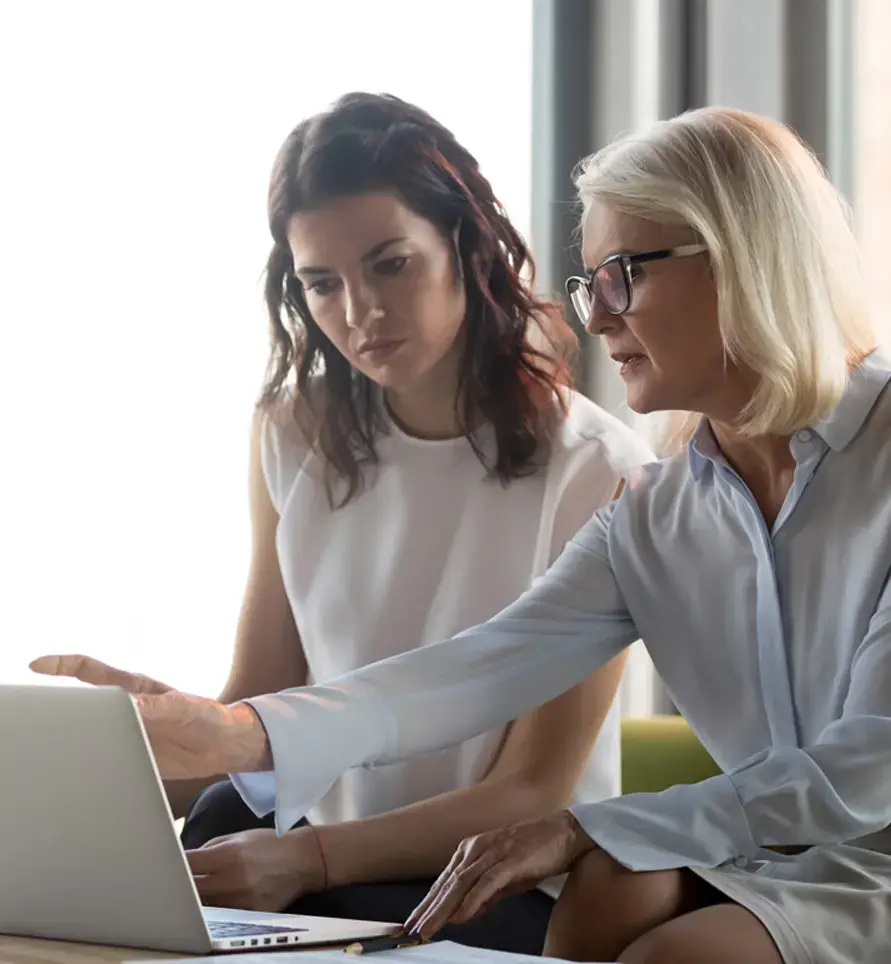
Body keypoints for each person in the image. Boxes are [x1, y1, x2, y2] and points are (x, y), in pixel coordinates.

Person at [35, 104, 891, 964]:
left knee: (659, 931)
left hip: (870, 849)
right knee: (608, 889)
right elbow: (470, 670)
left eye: (624, 273)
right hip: (784, 857)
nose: (595, 318)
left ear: (745, 255)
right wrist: (240, 735)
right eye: (594, 282)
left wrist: (580, 827)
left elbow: (870, 765)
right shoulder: (660, 513)